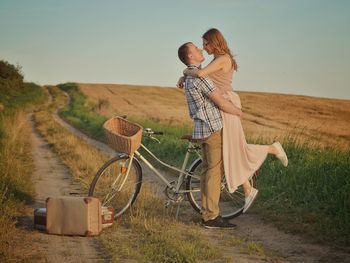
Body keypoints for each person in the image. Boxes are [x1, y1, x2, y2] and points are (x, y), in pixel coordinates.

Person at [178, 28, 288, 213]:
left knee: (236, 147)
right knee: (232, 148)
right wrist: (186, 74)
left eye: (206, 44)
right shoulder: (216, 59)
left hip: (227, 103)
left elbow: (201, 74)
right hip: (223, 104)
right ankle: (247, 188)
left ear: (215, 42)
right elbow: (201, 75)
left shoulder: (223, 59)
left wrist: (184, 71)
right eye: (202, 45)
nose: (204, 48)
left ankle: (272, 149)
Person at [178, 42, 242, 229]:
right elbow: (221, 102)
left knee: (207, 171)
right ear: (191, 57)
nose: (200, 49)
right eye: (196, 49)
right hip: (213, 129)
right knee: (214, 172)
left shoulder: (191, 77)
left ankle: (207, 213)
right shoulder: (201, 78)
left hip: (202, 129)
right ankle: (211, 217)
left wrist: (183, 74)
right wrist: (238, 111)